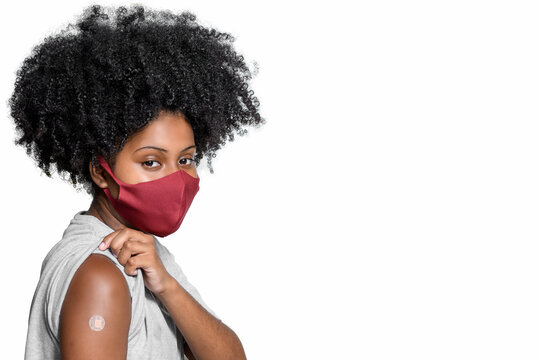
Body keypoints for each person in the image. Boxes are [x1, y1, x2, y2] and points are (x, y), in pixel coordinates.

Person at [10, 4, 265, 359]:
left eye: (186, 159)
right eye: (150, 161)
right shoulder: (101, 274)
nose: (175, 178)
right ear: (100, 171)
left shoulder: (150, 256)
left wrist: (168, 287)